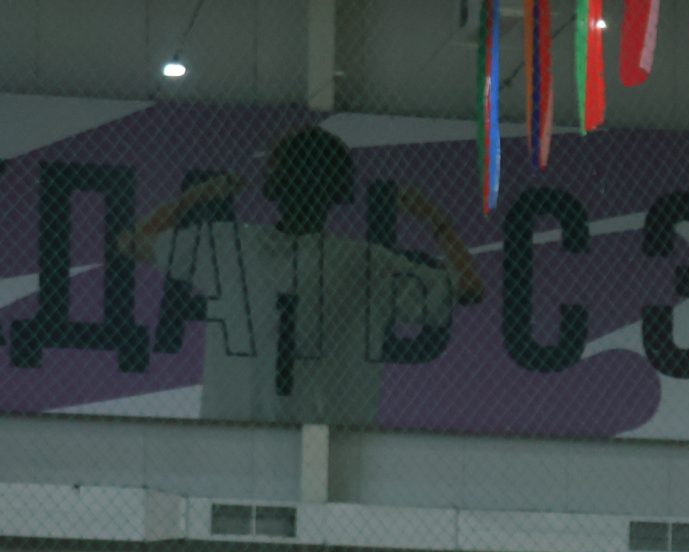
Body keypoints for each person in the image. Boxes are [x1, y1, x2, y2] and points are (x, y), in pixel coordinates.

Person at [120, 126, 487, 429]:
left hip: (234, 434)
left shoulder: (228, 244)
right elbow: (469, 288)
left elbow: (132, 242)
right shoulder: (363, 261)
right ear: (337, 191)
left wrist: (198, 196)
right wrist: (434, 219)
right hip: (325, 435)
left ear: (275, 184)